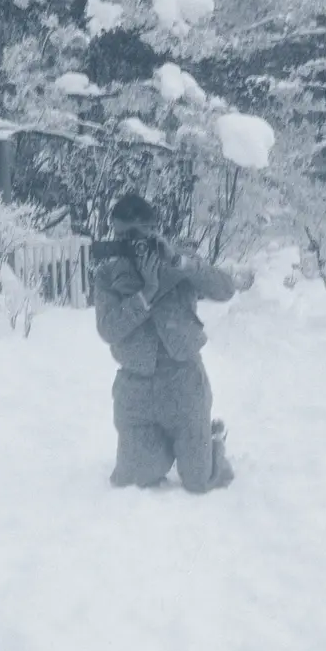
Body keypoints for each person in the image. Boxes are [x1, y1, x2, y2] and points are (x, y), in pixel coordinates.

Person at [94, 193, 236, 493]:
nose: (128, 243)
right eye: (120, 235)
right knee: (134, 480)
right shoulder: (107, 275)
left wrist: (181, 263)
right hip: (136, 388)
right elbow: (108, 329)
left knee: (199, 480)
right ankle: (169, 445)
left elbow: (226, 290)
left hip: (184, 381)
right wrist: (145, 294)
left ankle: (210, 439)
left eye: (135, 234)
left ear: (153, 229)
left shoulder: (178, 260)